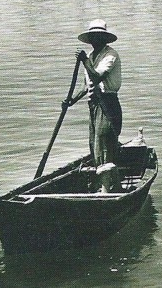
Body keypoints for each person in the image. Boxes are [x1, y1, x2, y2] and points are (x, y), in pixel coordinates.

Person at [62, 19, 123, 192]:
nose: (95, 40)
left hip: (108, 105)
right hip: (94, 105)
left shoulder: (111, 55)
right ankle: (108, 184)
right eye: (93, 37)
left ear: (104, 39)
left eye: (98, 36)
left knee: (103, 142)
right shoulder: (91, 57)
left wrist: (84, 62)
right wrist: (71, 101)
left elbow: (96, 77)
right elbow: (87, 85)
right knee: (94, 144)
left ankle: (106, 189)